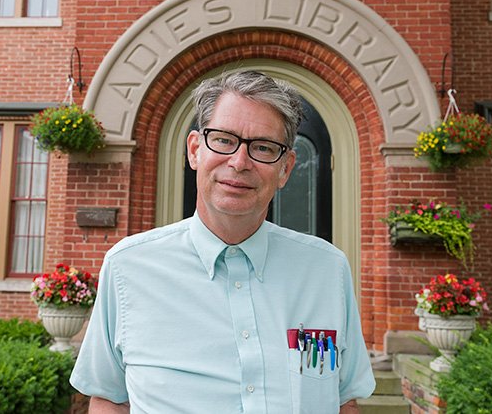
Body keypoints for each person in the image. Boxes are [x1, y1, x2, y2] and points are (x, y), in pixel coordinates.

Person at [70, 70, 375, 413]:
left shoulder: (326, 270)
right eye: (224, 140)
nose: (240, 162)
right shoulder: (127, 268)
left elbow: (344, 400)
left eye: (263, 147)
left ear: (286, 168)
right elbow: (108, 399)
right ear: (195, 150)